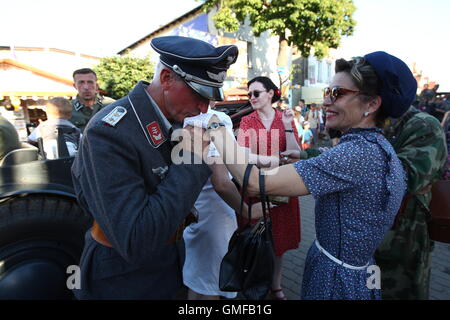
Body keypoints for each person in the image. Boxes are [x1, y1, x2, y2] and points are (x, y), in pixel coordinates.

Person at [198, 51, 413, 299]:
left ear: (372, 104)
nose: (326, 102)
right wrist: (301, 156)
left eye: (338, 93)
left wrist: (217, 127)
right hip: (357, 272)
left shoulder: (357, 154)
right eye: (326, 92)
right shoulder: (377, 147)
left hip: (336, 280)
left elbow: (256, 183)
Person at [71, 35, 238, 299]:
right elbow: (135, 240)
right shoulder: (110, 131)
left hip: (167, 263)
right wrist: (193, 162)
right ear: (167, 78)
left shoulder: (178, 119)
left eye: (210, 97)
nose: (204, 107)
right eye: (198, 93)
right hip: (123, 278)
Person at [182, 108, 262, 300]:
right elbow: (222, 183)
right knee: (214, 285)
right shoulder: (215, 119)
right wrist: (247, 211)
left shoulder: (185, 119)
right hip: (216, 215)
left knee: (197, 281)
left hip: (195, 211)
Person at [237, 76, 301, 300]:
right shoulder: (247, 121)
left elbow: (297, 154)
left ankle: (276, 285)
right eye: (250, 94)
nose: (251, 98)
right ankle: (254, 283)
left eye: (256, 93)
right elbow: (242, 156)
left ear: (271, 93)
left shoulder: (285, 118)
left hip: (283, 190)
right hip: (257, 189)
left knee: (279, 244)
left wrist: (287, 127)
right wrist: (276, 160)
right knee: (256, 241)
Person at [374, 105, 447, 297]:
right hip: (374, 235)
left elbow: (406, 176)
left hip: (405, 235)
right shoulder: (374, 121)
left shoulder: (424, 125)